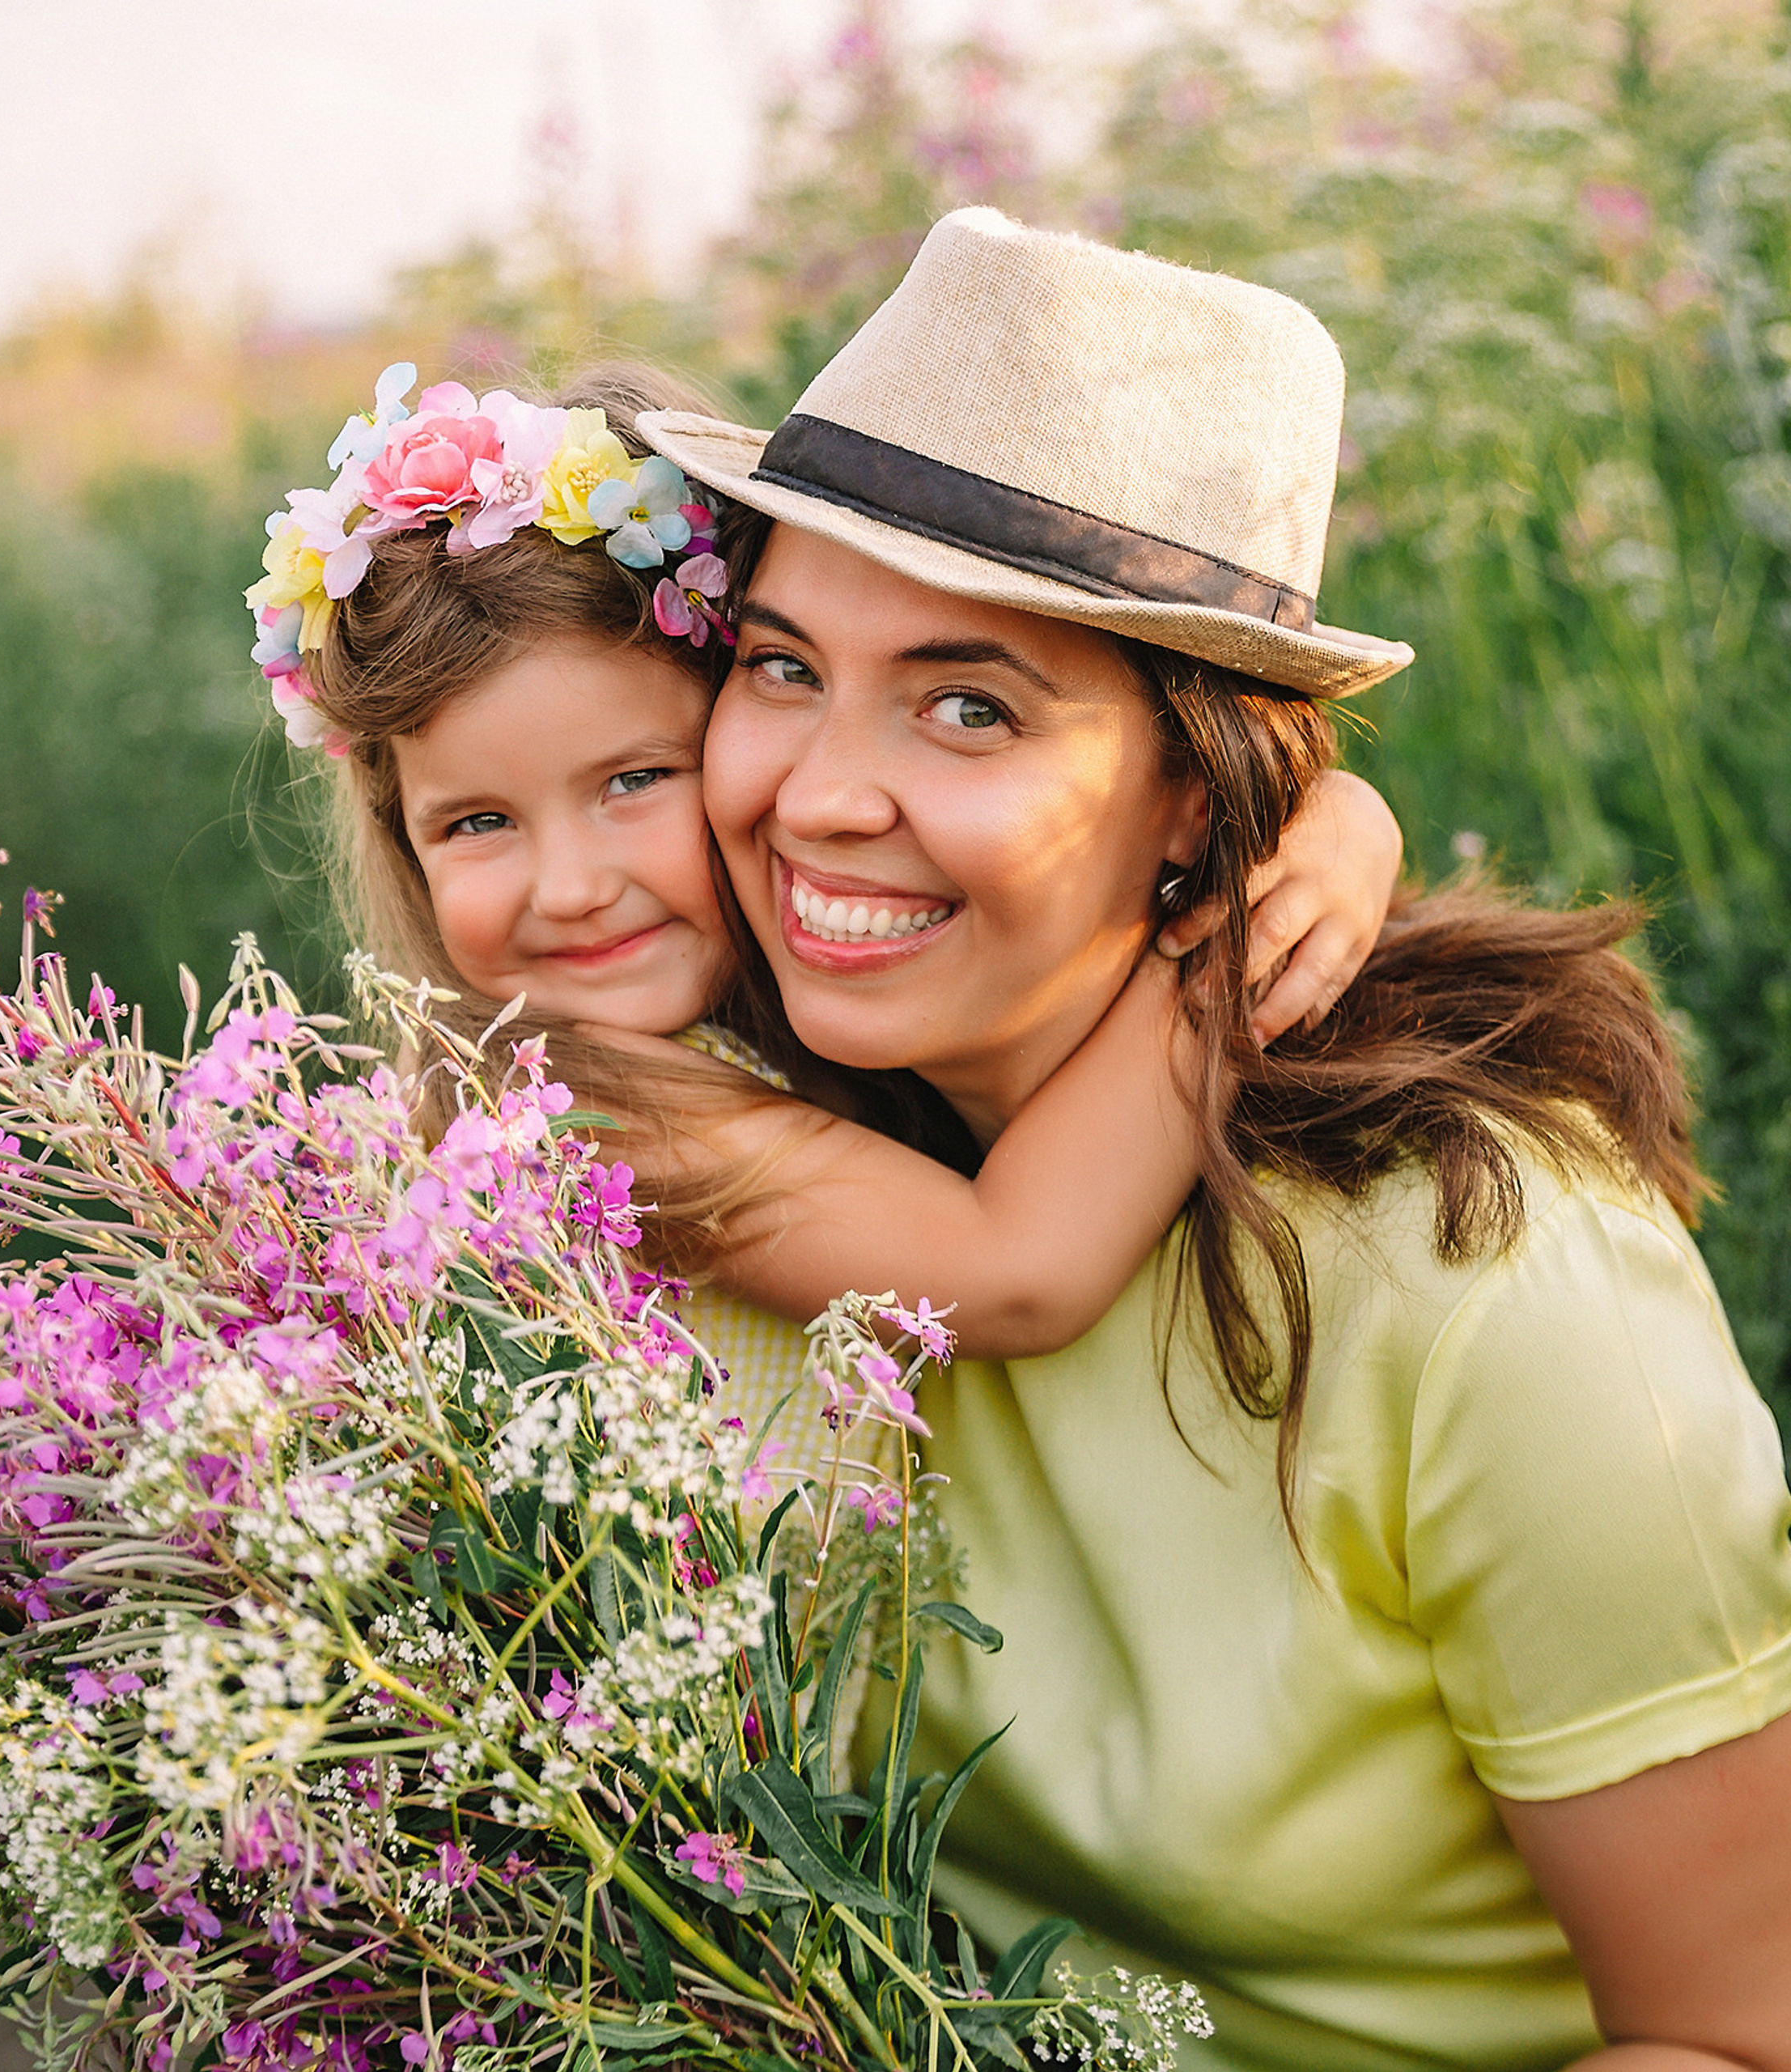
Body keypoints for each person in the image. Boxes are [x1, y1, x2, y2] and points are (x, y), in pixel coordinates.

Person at [639, 207, 1791, 2070]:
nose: (818, 795)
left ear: (1202, 792)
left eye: (964, 704)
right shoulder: (722, 1143)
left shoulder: (1481, 1277)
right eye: (777, 667)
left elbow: (1738, 2035)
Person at [244, 360, 1402, 1488]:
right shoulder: (570, 1115)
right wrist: (1244, 916)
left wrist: (1318, 811)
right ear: (407, 844)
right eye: (479, 823)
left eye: (636, 782)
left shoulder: (776, 1034)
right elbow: (1019, 1269)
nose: (569, 887)